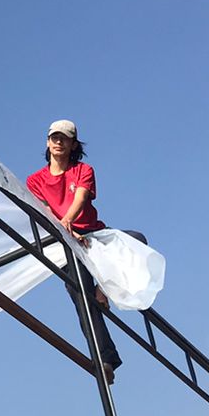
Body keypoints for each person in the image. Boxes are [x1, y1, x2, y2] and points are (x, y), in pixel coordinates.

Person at [24, 120, 129, 382]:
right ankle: (105, 358)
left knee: (136, 241)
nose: (59, 142)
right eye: (55, 138)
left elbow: (81, 198)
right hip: (64, 240)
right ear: (48, 142)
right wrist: (65, 232)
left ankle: (104, 288)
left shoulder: (83, 170)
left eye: (65, 139)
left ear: (73, 145)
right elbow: (43, 210)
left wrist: (68, 224)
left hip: (90, 235)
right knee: (80, 292)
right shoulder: (35, 180)